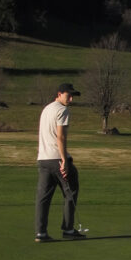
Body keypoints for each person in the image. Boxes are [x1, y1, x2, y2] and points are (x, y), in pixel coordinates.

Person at [35, 82, 86, 242]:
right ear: (59, 94)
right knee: (71, 192)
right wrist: (64, 160)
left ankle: (41, 233)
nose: (71, 99)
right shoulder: (62, 110)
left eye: (72, 96)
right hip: (57, 158)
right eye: (68, 95)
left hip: (43, 159)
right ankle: (68, 229)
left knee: (43, 197)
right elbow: (61, 137)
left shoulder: (46, 109)